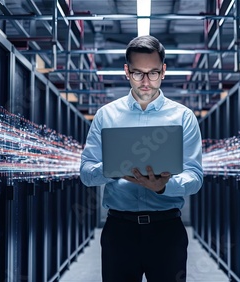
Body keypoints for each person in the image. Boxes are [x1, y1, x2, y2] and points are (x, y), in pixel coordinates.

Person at [79, 35, 203, 282]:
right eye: (138, 73)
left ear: (164, 71)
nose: (146, 81)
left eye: (153, 73)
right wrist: (112, 168)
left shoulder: (183, 117)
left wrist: (164, 186)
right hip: (119, 231)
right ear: (126, 71)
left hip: (167, 231)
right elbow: (86, 173)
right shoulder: (106, 116)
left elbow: (195, 177)